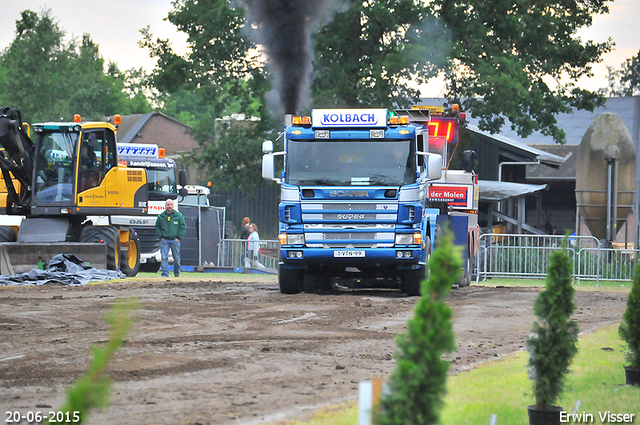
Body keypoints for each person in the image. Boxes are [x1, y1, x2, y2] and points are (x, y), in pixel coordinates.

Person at [155, 199, 187, 277]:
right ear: (165, 206)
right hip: (164, 240)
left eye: (171, 204)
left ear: (173, 206)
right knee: (164, 257)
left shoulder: (178, 216)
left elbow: (183, 227)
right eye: (168, 204)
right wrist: (161, 236)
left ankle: (176, 272)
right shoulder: (161, 216)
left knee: (176, 258)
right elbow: (157, 227)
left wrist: (179, 237)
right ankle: (165, 274)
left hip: (175, 240)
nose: (169, 206)